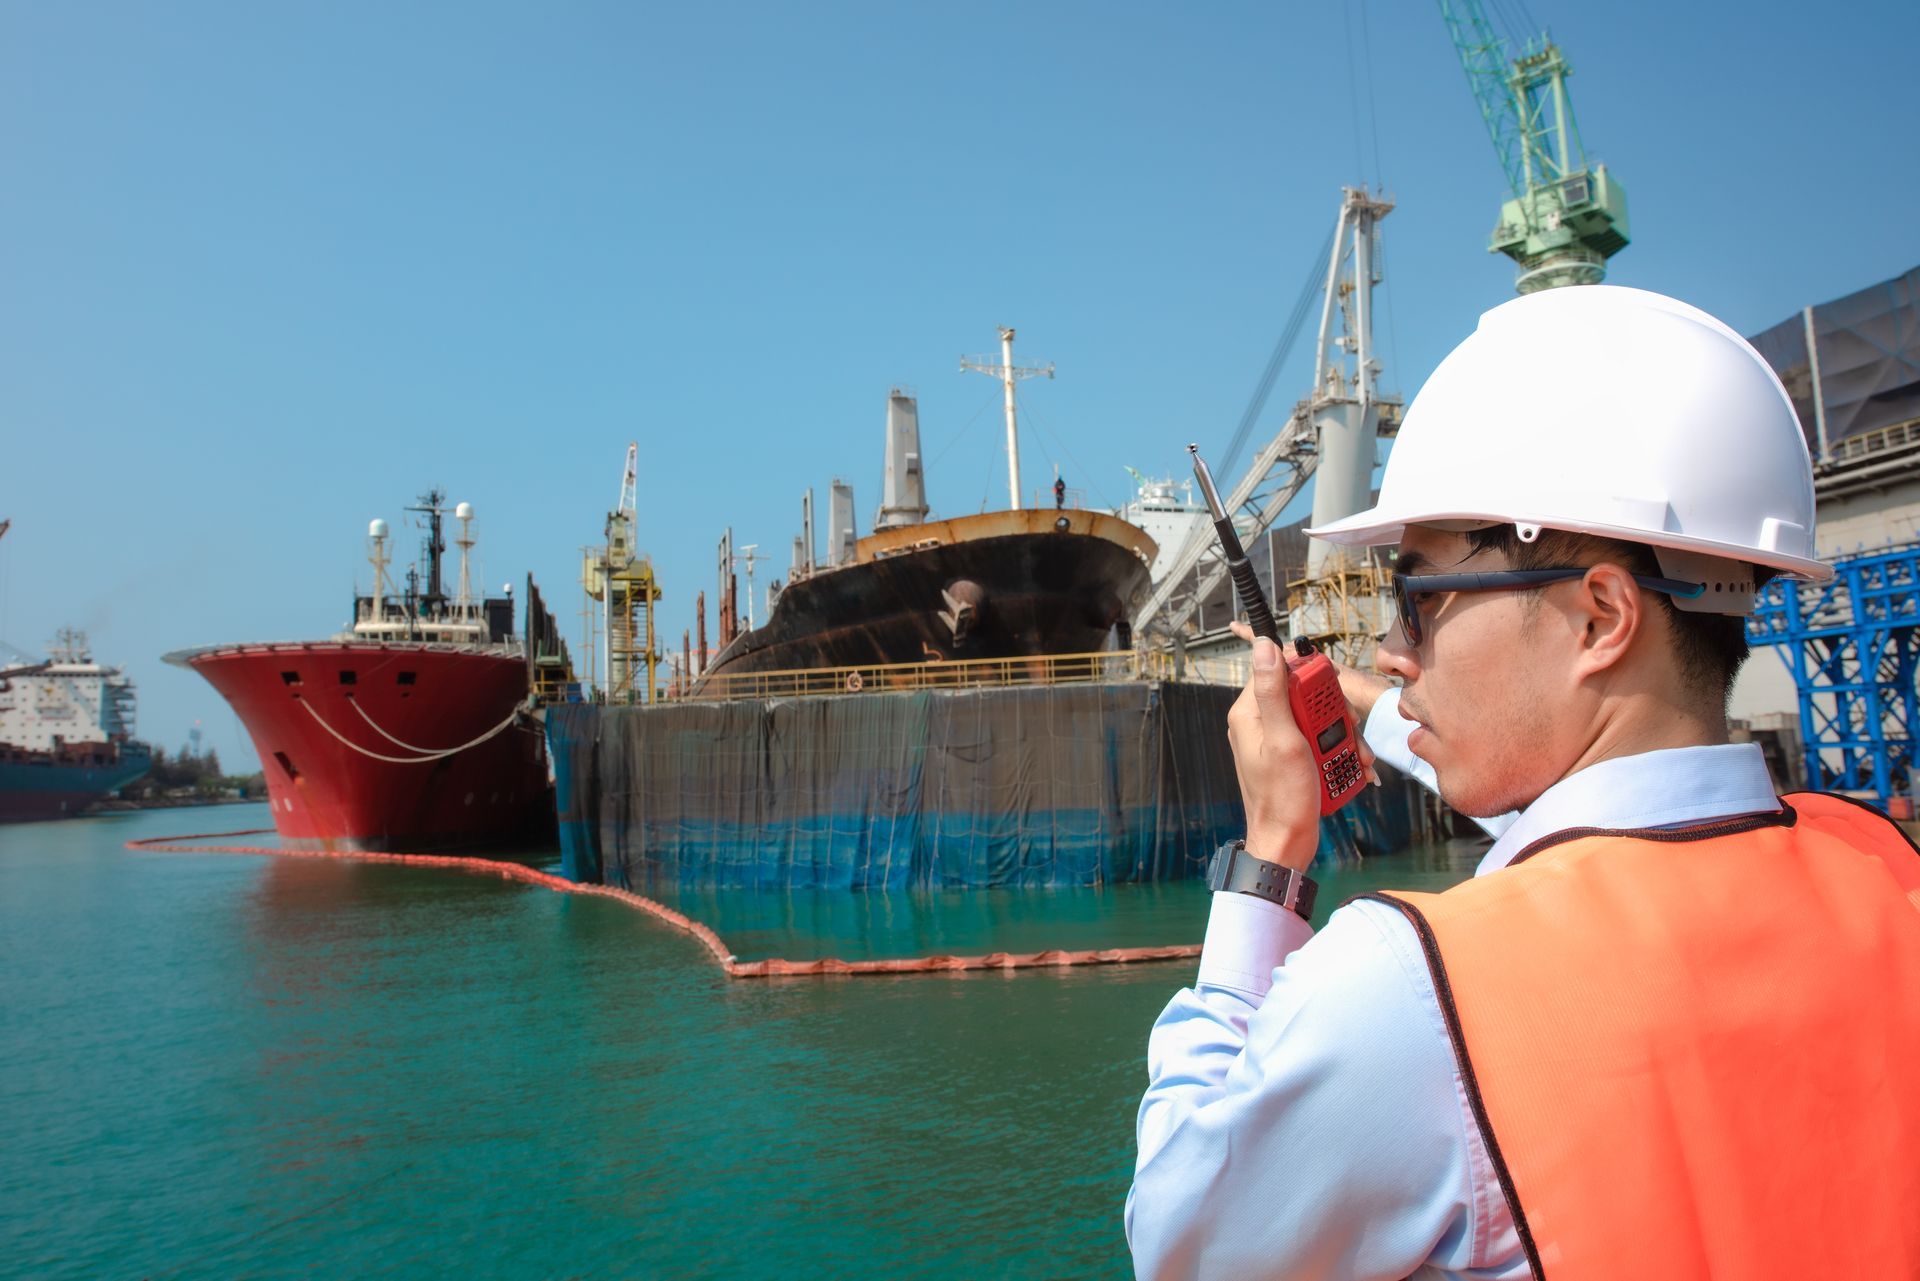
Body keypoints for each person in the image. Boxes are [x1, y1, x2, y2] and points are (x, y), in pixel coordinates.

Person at [1126, 285, 1920, 1279]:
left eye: (1418, 599)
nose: (1392, 644)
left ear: (1599, 616)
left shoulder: (1414, 989)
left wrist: (1271, 860)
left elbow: (1181, 1242)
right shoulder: (1882, 869)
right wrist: (1366, 701)